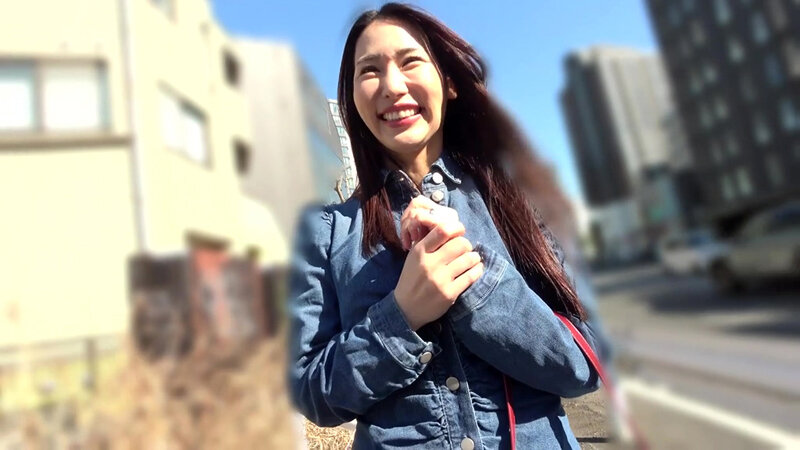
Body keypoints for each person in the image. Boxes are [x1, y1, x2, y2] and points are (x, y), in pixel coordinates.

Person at [288, 3, 608, 449]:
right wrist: (401, 316)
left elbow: (586, 363)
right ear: (353, 99)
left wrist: (474, 280)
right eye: (370, 70)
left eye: (410, 61)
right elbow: (311, 392)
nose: (392, 85)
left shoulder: (519, 201)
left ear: (450, 83)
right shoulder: (326, 231)